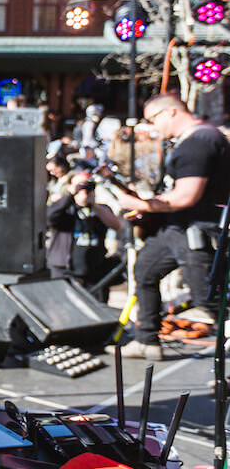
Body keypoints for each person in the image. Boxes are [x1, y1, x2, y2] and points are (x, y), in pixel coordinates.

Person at [111, 94, 230, 360]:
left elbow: (185, 196)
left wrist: (140, 204)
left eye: (154, 120)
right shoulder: (201, 139)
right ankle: (147, 340)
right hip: (176, 229)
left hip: (195, 231)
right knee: (144, 270)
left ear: (171, 113)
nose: (153, 127)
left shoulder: (198, 143)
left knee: (207, 298)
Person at [46, 172, 122, 300]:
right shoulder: (65, 208)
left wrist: (95, 206)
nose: (84, 190)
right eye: (80, 186)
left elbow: (116, 225)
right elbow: (49, 217)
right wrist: (71, 195)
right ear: (70, 186)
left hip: (93, 273)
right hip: (65, 271)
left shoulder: (101, 209)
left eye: (88, 186)